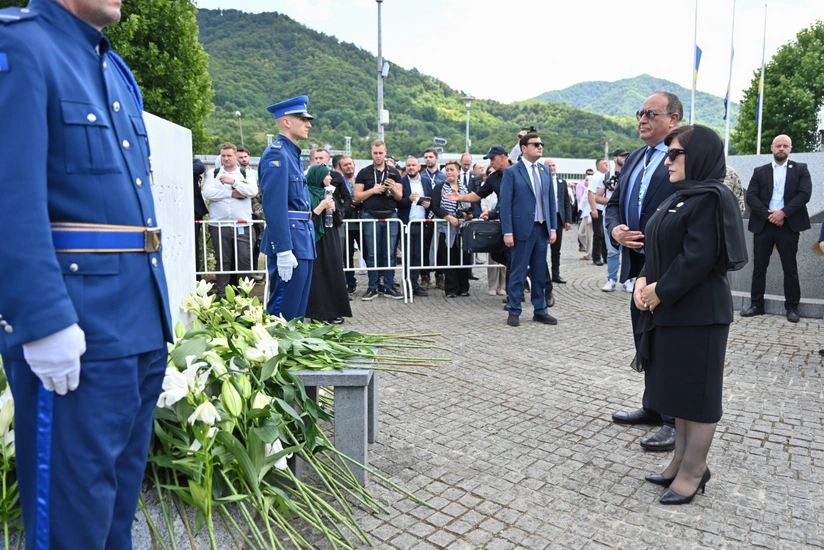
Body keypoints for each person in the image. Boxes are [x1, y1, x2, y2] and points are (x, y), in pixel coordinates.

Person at [0, 2, 173, 548]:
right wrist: (42, 320)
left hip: (140, 327)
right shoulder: (21, 46)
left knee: (115, 519)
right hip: (78, 332)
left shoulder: (114, 67)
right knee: (71, 528)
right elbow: (10, 194)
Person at [634, 125, 747, 505]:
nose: (667, 161)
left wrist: (658, 292)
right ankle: (680, 460)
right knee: (679, 392)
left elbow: (697, 258)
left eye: (675, 154)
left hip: (700, 313)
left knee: (698, 396)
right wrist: (644, 278)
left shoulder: (713, 197)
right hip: (672, 311)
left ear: (697, 156)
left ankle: (695, 470)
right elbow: (659, 246)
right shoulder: (680, 196)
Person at [605, 91, 683, 452]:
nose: (642, 119)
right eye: (639, 113)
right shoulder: (635, 157)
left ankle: (674, 420)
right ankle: (653, 406)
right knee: (644, 334)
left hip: (670, 263)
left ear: (674, 118)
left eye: (651, 113)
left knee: (669, 340)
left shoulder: (684, 155)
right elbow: (616, 204)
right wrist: (616, 228)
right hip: (637, 263)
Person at [740, 134, 812, 323]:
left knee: (790, 267)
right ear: (772, 148)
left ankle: (792, 307)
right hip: (764, 224)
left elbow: (804, 194)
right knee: (759, 267)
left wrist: (783, 213)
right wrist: (770, 215)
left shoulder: (801, 169)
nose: (782, 148)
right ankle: (757, 305)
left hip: (788, 225)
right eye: (778, 145)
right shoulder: (759, 171)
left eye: (785, 146)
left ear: (790, 148)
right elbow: (752, 197)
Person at [259, 95, 316, 321]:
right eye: (303, 119)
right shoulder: (277, 153)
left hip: (302, 238)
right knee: (283, 315)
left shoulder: (291, 154)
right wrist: (282, 249)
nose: (308, 124)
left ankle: (291, 354)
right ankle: (276, 355)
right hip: (290, 241)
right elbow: (274, 206)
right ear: (286, 121)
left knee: (297, 314)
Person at [499, 133, 557, 327]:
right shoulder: (512, 172)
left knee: (540, 272)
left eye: (542, 144)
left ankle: (540, 310)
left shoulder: (545, 171)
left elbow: (550, 201)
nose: (540, 147)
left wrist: (553, 228)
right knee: (518, 271)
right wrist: (507, 231)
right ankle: (514, 310)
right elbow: (505, 204)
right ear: (524, 148)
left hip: (541, 229)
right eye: (536, 144)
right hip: (521, 229)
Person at [201, 142, 259, 298]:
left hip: (242, 224)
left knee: (244, 261)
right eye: (223, 155)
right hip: (219, 224)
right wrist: (231, 194)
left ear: (235, 157)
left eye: (229, 155)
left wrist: (234, 182)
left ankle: (243, 296)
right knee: (223, 262)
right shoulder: (212, 173)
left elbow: (252, 191)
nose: (226, 158)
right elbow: (208, 193)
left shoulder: (246, 174)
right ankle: (223, 296)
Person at [353, 140, 404, 301]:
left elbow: (400, 197)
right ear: (371, 153)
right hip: (370, 214)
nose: (378, 156)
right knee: (372, 253)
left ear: (385, 152)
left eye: (381, 153)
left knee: (389, 252)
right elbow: (357, 196)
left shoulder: (394, 173)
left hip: (390, 215)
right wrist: (373, 190)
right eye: (375, 153)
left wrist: (392, 188)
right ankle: (372, 286)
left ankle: (389, 286)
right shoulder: (364, 172)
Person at [304, 165, 353, 324]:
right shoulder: (306, 194)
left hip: (330, 237)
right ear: (318, 176)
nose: (330, 178)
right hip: (316, 239)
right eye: (327, 175)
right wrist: (321, 207)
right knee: (318, 275)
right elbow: (306, 219)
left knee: (333, 271)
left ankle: (333, 311)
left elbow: (339, 219)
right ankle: (318, 313)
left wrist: (334, 209)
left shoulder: (329, 193)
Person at [430, 161, 474, 297]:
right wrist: (448, 217)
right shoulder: (439, 187)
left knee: (464, 257)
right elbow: (435, 206)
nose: (449, 172)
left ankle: (464, 287)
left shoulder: (465, 188)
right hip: (446, 228)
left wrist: (468, 215)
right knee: (448, 257)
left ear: (458, 172)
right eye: (447, 170)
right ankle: (451, 288)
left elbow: (472, 206)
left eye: (451, 170)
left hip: (463, 228)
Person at [398, 156, 433, 297]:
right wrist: (408, 199)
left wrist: (429, 205)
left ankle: (414, 283)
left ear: (419, 167)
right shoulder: (401, 182)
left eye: (413, 165)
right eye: (408, 165)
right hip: (406, 223)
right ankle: (407, 283)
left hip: (422, 223)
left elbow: (432, 200)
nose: (411, 167)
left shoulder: (426, 181)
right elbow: (397, 203)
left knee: (418, 256)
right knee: (407, 255)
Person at [600, 148, 631, 292]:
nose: (625, 158)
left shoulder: (631, 173)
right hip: (611, 215)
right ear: (615, 158)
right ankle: (611, 279)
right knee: (612, 251)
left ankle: (628, 279)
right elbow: (597, 197)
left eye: (627, 156)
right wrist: (614, 199)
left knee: (629, 249)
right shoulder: (606, 176)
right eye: (622, 156)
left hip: (627, 215)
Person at [545, 158, 572, 287]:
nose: (552, 168)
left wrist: (567, 219)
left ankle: (555, 273)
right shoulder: (542, 180)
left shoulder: (562, 182)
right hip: (544, 218)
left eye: (553, 165)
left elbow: (566, 201)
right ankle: (542, 275)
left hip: (557, 217)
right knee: (542, 248)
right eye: (549, 166)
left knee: (556, 249)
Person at [588, 159, 609, 266]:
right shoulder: (595, 177)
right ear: (598, 167)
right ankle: (596, 256)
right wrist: (594, 209)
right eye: (604, 164)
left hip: (605, 209)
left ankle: (606, 256)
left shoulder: (607, 176)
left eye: (607, 163)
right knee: (598, 234)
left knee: (606, 234)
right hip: (598, 209)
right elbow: (591, 193)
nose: (607, 165)